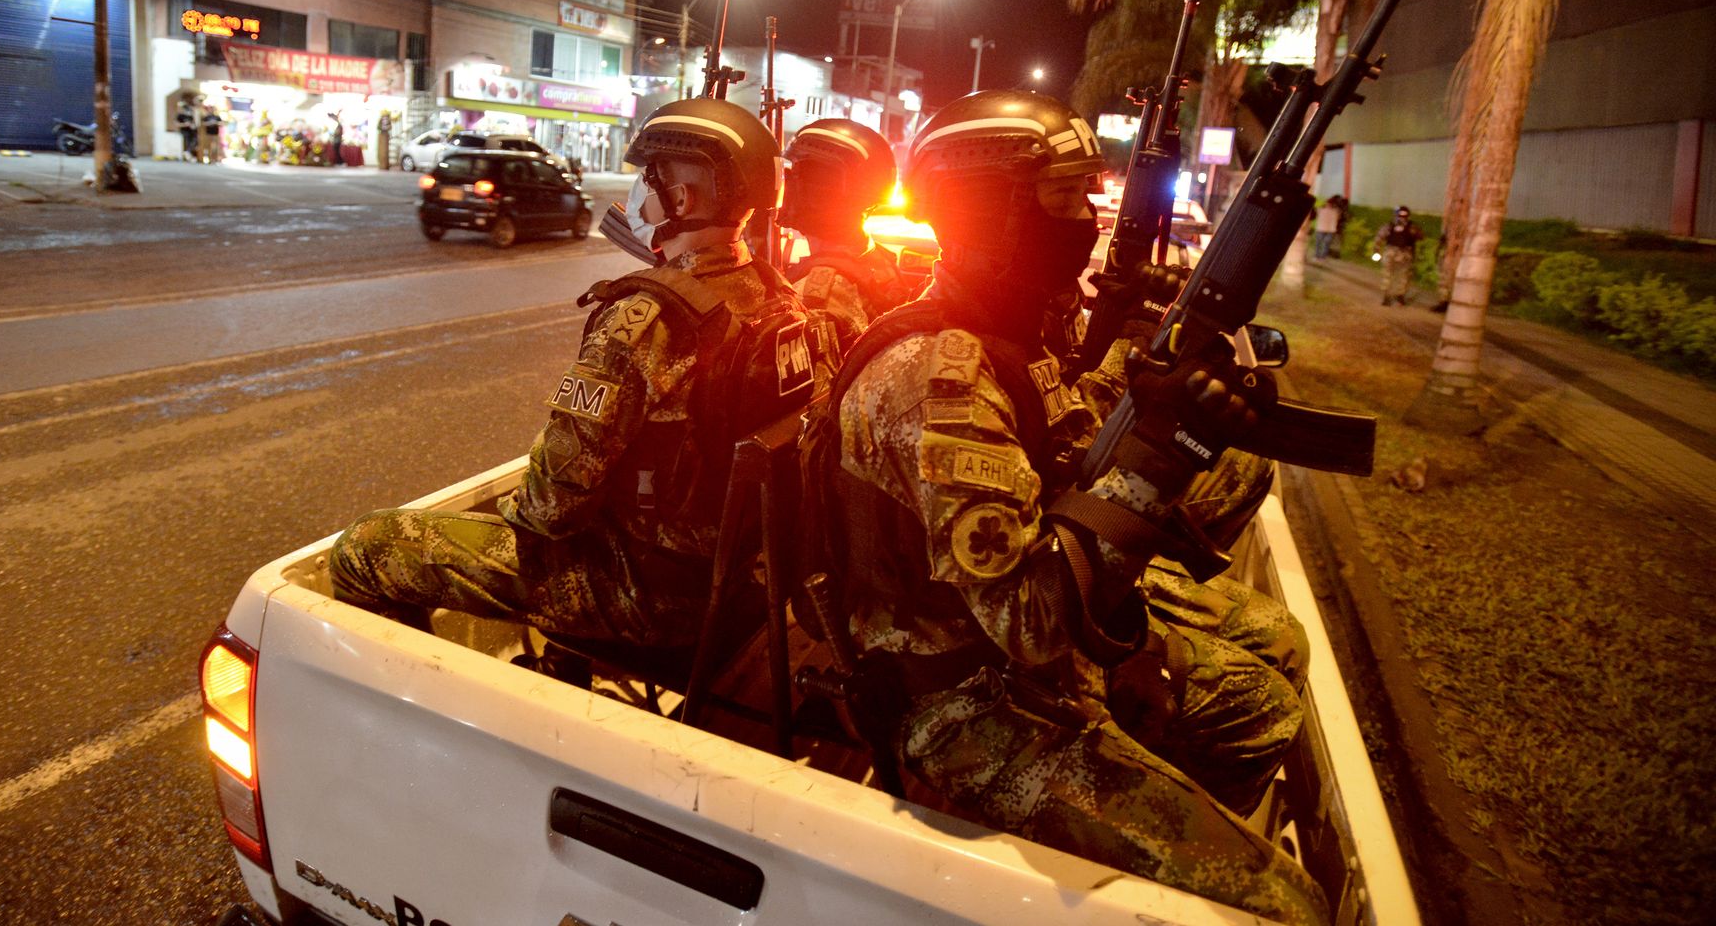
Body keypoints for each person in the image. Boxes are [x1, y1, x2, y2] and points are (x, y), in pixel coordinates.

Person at [805, 90, 1324, 925]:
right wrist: (1159, 456)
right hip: (956, 699)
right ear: (991, 206)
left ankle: (1152, 847)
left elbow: (1067, 451)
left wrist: (1147, 373)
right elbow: (1033, 622)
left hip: (1008, 646)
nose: (1087, 216)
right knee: (1282, 905)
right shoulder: (935, 381)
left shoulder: (1006, 328)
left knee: (1271, 671)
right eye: (1065, 196)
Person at [330, 98, 835, 647]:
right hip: (739, 582)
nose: (641, 189)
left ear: (682, 197)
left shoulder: (647, 320)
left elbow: (549, 509)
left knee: (367, 546)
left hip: (645, 595)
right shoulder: (781, 300)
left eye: (651, 176)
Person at [778, 118, 911, 351]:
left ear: (821, 192)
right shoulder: (876, 259)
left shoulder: (815, 296)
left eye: (798, 175)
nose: (786, 185)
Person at [1374, 205, 1425, 306]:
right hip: (1391, 252)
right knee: (1388, 274)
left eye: (1404, 216)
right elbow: (1379, 237)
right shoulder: (1389, 226)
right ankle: (1387, 296)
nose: (1401, 218)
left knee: (1403, 276)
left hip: (1404, 253)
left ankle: (1399, 296)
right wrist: (1376, 250)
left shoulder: (1411, 227)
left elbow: (1420, 236)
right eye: (1400, 216)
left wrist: (1413, 232)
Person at [1311, 194, 1343, 260]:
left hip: (1324, 228)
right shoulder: (1335, 211)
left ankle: (1319, 256)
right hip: (1327, 229)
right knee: (1323, 244)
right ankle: (1320, 256)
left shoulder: (1324, 210)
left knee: (1322, 244)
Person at [174, 97, 197, 162]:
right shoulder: (180, 115)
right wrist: (185, 124)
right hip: (184, 131)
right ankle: (186, 153)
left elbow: (193, 122)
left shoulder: (189, 115)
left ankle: (188, 152)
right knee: (187, 141)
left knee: (194, 141)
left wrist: (192, 125)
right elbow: (177, 124)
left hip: (191, 131)